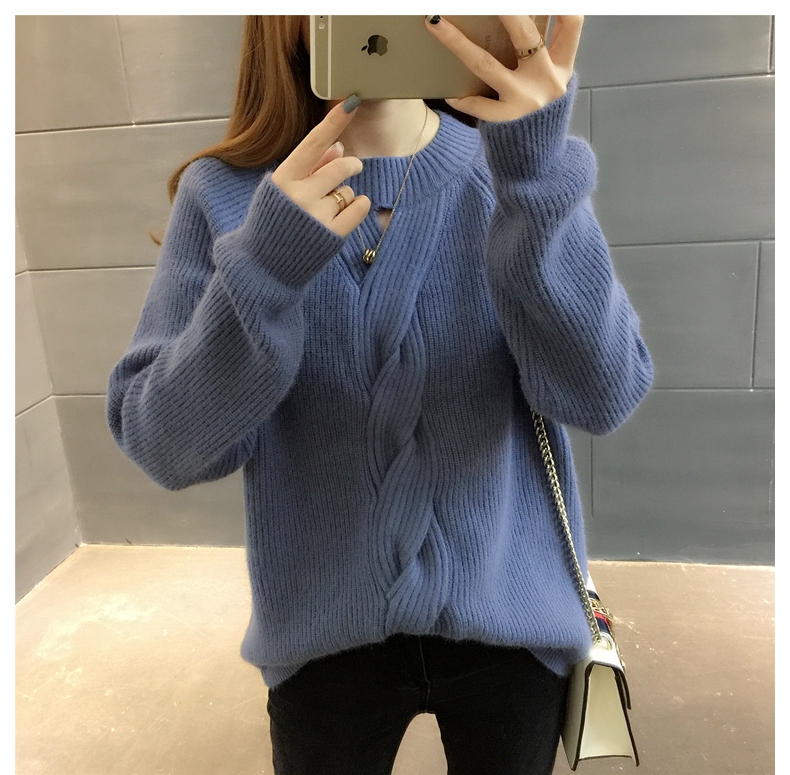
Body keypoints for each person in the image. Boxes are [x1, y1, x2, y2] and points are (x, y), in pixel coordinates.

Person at [107, 14, 653, 775]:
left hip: (513, 622)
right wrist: (265, 268)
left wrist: (537, 176)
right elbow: (164, 444)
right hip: (322, 639)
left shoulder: (515, 170)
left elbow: (603, 395)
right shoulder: (227, 197)